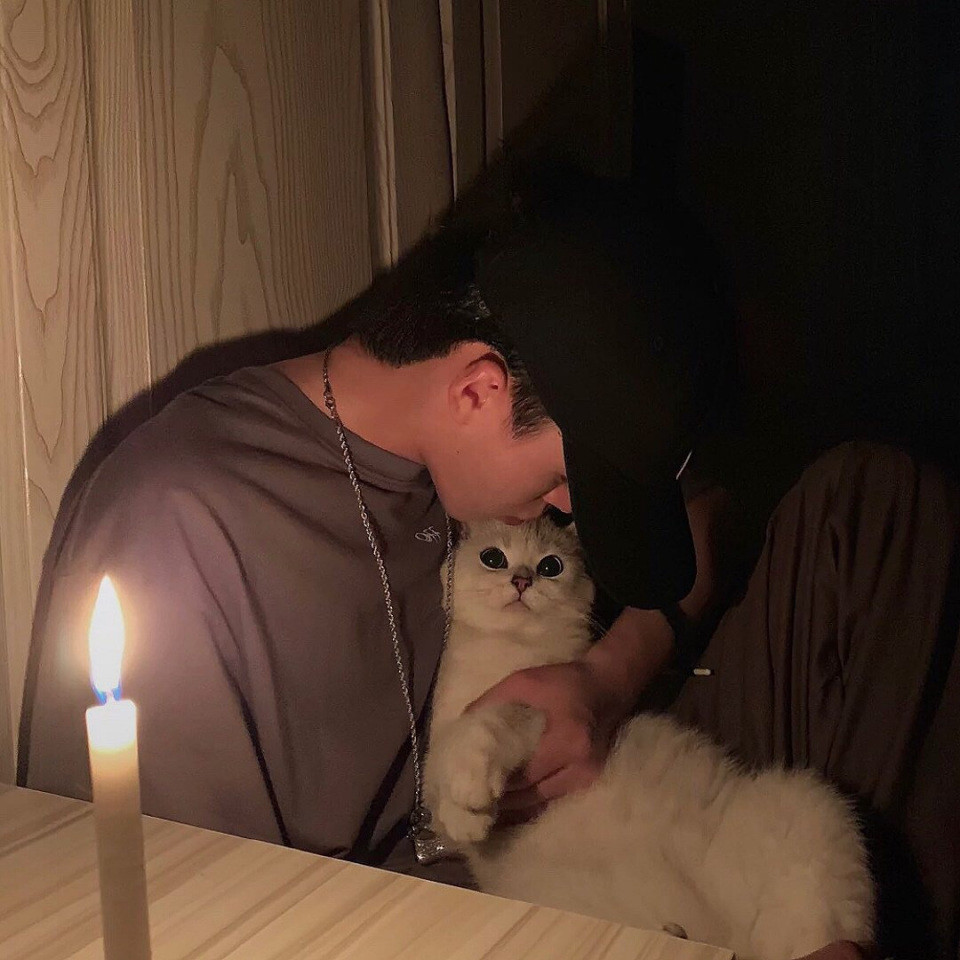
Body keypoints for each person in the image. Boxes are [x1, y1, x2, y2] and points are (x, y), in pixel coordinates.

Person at [18, 180, 958, 960]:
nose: (569, 509)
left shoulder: (459, 453)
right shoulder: (182, 525)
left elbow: (704, 520)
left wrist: (604, 681)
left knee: (874, 504)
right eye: (563, 479)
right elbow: (164, 910)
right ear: (478, 389)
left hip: (606, 792)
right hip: (439, 909)